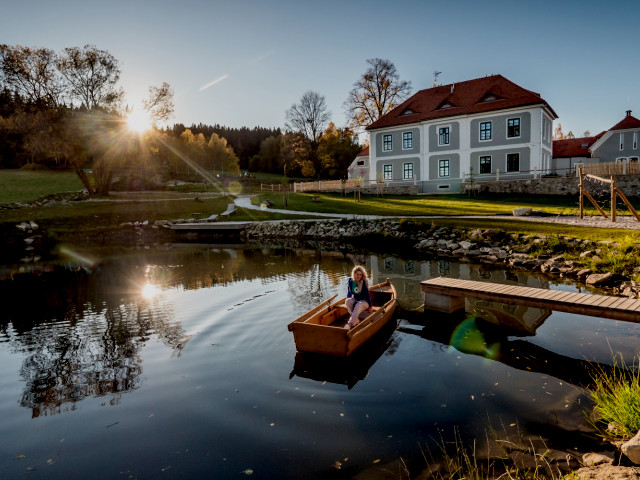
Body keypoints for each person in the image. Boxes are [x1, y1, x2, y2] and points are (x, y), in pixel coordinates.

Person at [345, 265, 372, 330]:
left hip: (364, 301)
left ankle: (349, 323)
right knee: (348, 301)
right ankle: (356, 319)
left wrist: (370, 306)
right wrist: (348, 300)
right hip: (356, 299)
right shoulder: (351, 281)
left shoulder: (363, 282)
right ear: (354, 274)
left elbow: (367, 295)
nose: (359, 276)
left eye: (361, 275)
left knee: (358, 305)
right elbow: (349, 293)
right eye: (357, 274)